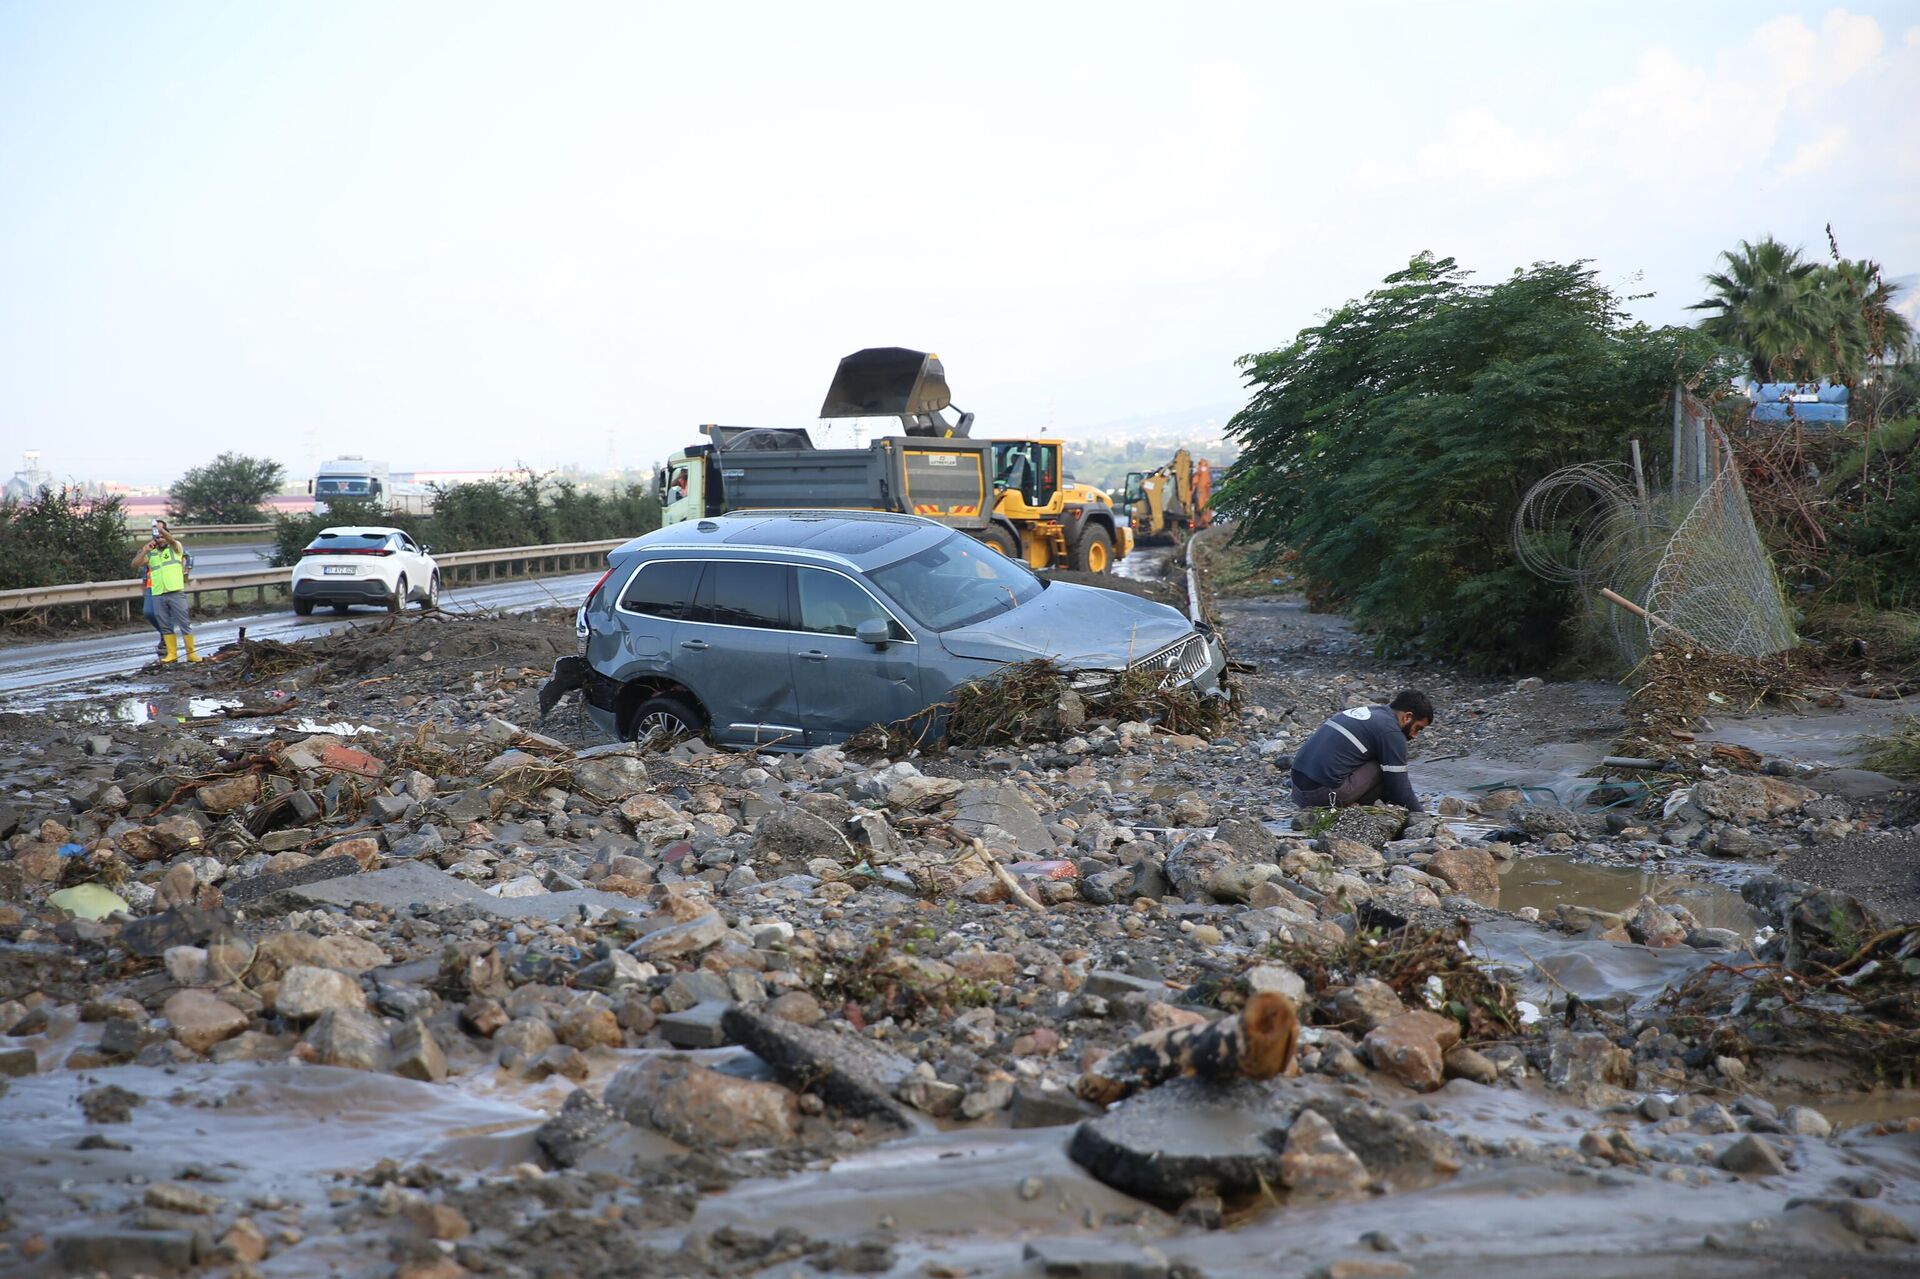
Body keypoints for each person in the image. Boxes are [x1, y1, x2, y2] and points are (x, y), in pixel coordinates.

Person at [1288, 689, 1434, 812]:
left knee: (1378, 757)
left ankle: (1359, 805)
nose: (1415, 736)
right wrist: (1421, 816)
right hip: (1320, 796)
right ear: (1407, 717)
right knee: (1385, 766)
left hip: (1298, 791)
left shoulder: (1371, 713)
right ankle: (1358, 809)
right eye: (1418, 729)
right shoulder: (1391, 732)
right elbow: (1399, 787)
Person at [130, 519, 198, 663]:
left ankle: (191, 654)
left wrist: (161, 530)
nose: (160, 539)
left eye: (162, 536)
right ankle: (172, 654)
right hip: (158, 592)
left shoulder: (175, 548)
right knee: (165, 625)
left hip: (175, 591)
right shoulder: (152, 554)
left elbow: (171, 540)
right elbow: (134, 564)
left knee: (184, 623)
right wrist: (144, 551)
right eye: (158, 537)